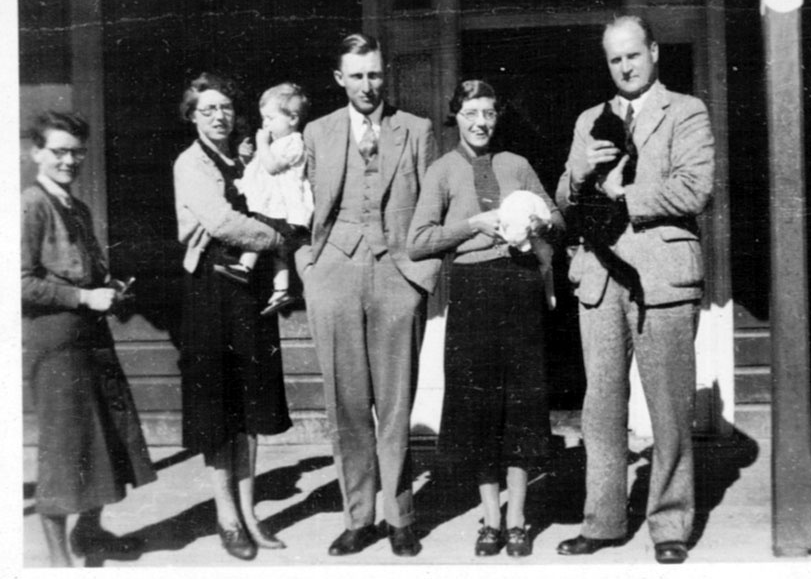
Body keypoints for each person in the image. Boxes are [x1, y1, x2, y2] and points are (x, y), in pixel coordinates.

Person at [554, 15, 714, 564]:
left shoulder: (685, 111)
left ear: (654, 52)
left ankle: (670, 525)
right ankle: (602, 521)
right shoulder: (589, 120)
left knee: (669, 407)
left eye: (633, 55)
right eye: (615, 59)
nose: (625, 67)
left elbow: (694, 189)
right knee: (600, 406)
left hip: (661, 275)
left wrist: (623, 194)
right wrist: (580, 172)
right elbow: (564, 199)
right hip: (600, 277)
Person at [295, 33, 439, 558]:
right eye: (356, 75)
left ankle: (400, 518)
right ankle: (359, 517)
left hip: (397, 276)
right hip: (334, 273)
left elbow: (433, 208)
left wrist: (421, 277)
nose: (367, 85)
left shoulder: (416, 130)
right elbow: (298, 205)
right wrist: (309, 269)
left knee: (395, 405)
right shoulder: (318, 132)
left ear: (386, 74)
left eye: (374, 74)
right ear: (340, 79)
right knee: (347, 405)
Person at [407, 80, 564, 558]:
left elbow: (558, 219)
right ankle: (491, 517)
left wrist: (539, 220)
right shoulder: (442, 171)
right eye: (471, 113)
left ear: (498, 117)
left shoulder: (516, 164)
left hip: (520, 287)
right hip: (473, 291)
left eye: (489, 113)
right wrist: (471, 225)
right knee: (479, 407)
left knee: (520, 404)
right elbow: (418, 241)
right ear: (456, 116)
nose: (481, 122)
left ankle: (517, 518)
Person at [21, 110, 156, 567]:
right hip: (56, 342)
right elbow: (18, 282)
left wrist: (108, 288)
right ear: (36, 152)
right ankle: (60, 562)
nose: (69, 161)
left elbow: (83, 270)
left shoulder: (76, 207)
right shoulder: (31, 204)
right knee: (64, 448)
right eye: (59, 151)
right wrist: (83, 296)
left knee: (105, 438)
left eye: (77, 153)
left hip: (89, 336)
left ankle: (90, 533)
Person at [173, 72, 293, 561]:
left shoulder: (243, 158)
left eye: (225, 107)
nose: (219, 116)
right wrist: (278, 238)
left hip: (250, 291)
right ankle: (227, 517)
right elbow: (221, 221)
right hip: (210, 292)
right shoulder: (191, 163)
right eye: (208, 109)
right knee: (218, 410)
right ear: (192, 116)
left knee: (251, 406)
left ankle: (250, 512)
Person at [215, 82, 314, 317]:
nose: (265, 124)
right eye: (263, 118)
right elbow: (259, 171)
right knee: (279, 250)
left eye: (270, 118)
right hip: (276, 207)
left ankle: (245, 266)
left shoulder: (294, 142)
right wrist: (247, 161)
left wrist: (262, 144)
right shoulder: (277, 143)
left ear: (292, 119)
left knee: (261, 231)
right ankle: (281, 290)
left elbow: (271, 167)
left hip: (285, 210)